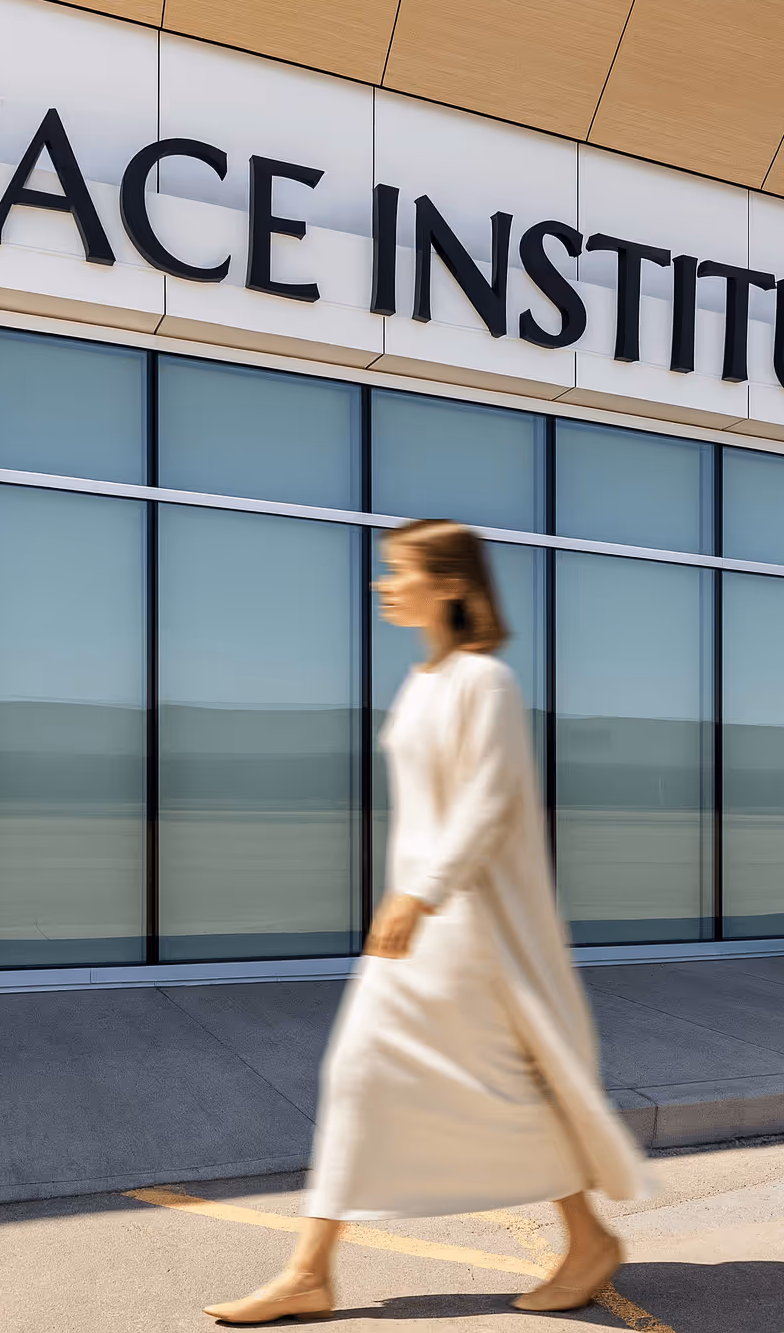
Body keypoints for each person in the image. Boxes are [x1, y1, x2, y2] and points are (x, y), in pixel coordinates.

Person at [203, 519, 648, 1324]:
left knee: (457, 1085)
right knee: (382, 1080)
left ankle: (582, 1240)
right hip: (425, 920)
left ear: (450, 584)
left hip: (463, 925)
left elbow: (490, 800)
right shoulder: (426, 681)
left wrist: (421, 893)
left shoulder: (486, 682)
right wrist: (410, 895)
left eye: (397, 570)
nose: (383, 584)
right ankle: (315, 1268)